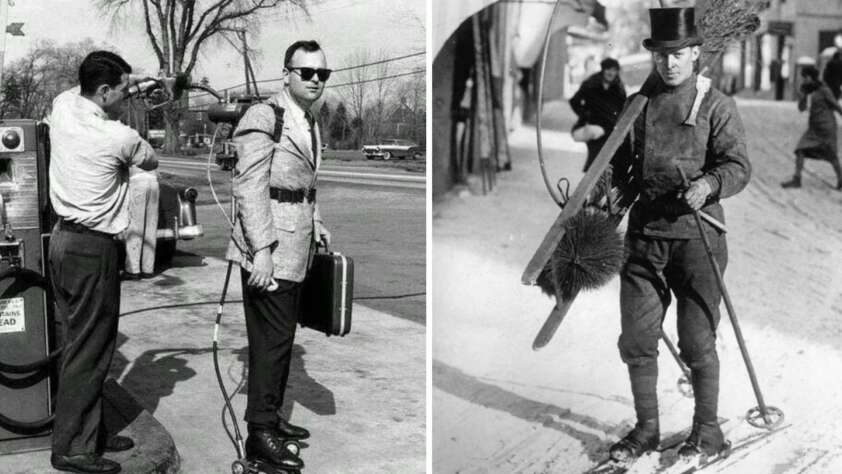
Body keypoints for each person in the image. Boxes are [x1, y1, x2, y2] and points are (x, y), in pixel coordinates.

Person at [607, 7, 751, 464]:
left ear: (695, 55)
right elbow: (620, 166)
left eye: (679, 55)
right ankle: (647, 429)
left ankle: (707, 433)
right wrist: (606, 193)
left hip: (698, 239)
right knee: (636, 337)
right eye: (662, 55)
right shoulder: (638, 104)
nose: (670, 64)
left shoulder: (714, 104)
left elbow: (737, 166)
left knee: (695, 341)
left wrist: (709, 184)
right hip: (645, 237)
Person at [48, 51, 158, 473]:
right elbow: (150, 159)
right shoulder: (118, 137)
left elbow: (85, 94)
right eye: (122, 90)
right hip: (93, 250)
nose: (127, 96)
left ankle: (86, 432)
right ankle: (73, 448)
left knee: (77, 342)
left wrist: (138, 84)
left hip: (62, 242)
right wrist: (143, 105)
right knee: (91, 350)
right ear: (106, 91)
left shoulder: (63, 106)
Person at [225, 40, 332, 472]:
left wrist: (317, 220)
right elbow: (249, 186)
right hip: (270, 246)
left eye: (322, 74)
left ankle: (272, 419)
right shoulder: (264, 115)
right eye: (306, 72)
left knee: (283, 339)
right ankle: (259, 436)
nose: (314, 81)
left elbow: (303, 182)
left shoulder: (306, 118)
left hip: (296, 244)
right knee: (269, 344)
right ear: (286, 73)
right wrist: (262, 251)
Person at [781, 65, 842, 190]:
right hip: (814, 128)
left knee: (831, 154)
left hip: (826, 127)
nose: (803, 80)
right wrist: (802, 96)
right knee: (800, 150)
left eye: (805, 77)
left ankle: (841, 179)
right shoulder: (808, 90)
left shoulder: (824, 89)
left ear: (811, 77)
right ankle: (797, 179)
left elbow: (835, 105)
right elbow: (801, 109)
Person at [570, 57, 627, 171]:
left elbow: (623, 106)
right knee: (596, 156)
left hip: (611, 126)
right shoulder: (591, 83)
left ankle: (599, 183)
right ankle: (592, 183)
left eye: (614, 70)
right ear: (603, 69)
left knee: (611, 158)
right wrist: (585, 114)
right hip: (594, 125)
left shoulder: (618, 87)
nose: (611, 73)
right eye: (608, 69)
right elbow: (574, 101)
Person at [123, 167, 160, 279]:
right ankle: (148, 268)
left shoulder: (131, 148)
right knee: (151, 225)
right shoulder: (149, 149)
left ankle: (133, 270)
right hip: (153, 181)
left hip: (137, 180)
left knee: (135, 226)